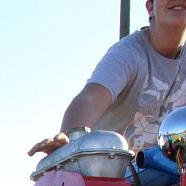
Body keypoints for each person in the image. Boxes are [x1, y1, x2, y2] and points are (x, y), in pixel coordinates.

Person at [29, 0, 186, 156]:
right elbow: (91, 98)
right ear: (150, 7)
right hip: (105, 170)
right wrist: (69, 137)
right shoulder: (129, 53)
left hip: (166, 173)